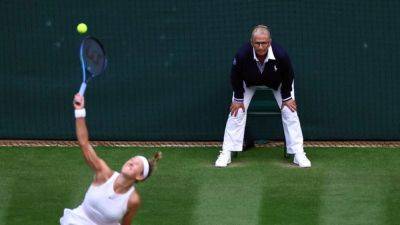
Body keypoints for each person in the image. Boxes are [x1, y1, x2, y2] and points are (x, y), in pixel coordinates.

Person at [215, 25, 311, 168]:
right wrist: (238, 99)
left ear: (270, 42)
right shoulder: (242, 54)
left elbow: (288, 75)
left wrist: (286, 98)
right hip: (248, 83)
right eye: (257, 43)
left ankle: (298, 153)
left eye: (264, 43)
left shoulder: (281, 54)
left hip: (277, 83)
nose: (260, 46)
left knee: (289, 111)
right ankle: (226, 152)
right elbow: (235, 76)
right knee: (237, 111)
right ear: (251, 42)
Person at [60, 93, 161, 225]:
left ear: (140, 176)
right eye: (132, 159)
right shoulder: (103, 173)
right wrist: (79, 111)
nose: (131, 162)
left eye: (136, 164)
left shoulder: (133, 200)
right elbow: (84, 143)